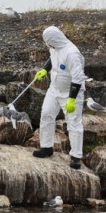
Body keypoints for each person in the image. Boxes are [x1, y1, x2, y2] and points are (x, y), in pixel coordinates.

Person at [32, 26, 85, 169]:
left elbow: (78, 77)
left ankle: (76, 156)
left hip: (70, 92)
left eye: (48, 41)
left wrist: (72, 98)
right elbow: (52, 58)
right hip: (54, 89)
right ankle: (46, 147)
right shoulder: (54, 46)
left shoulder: (71, 53)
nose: (47, 44)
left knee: (73, 122)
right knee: (46, 114)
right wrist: (44, 69)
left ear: (54, 38)